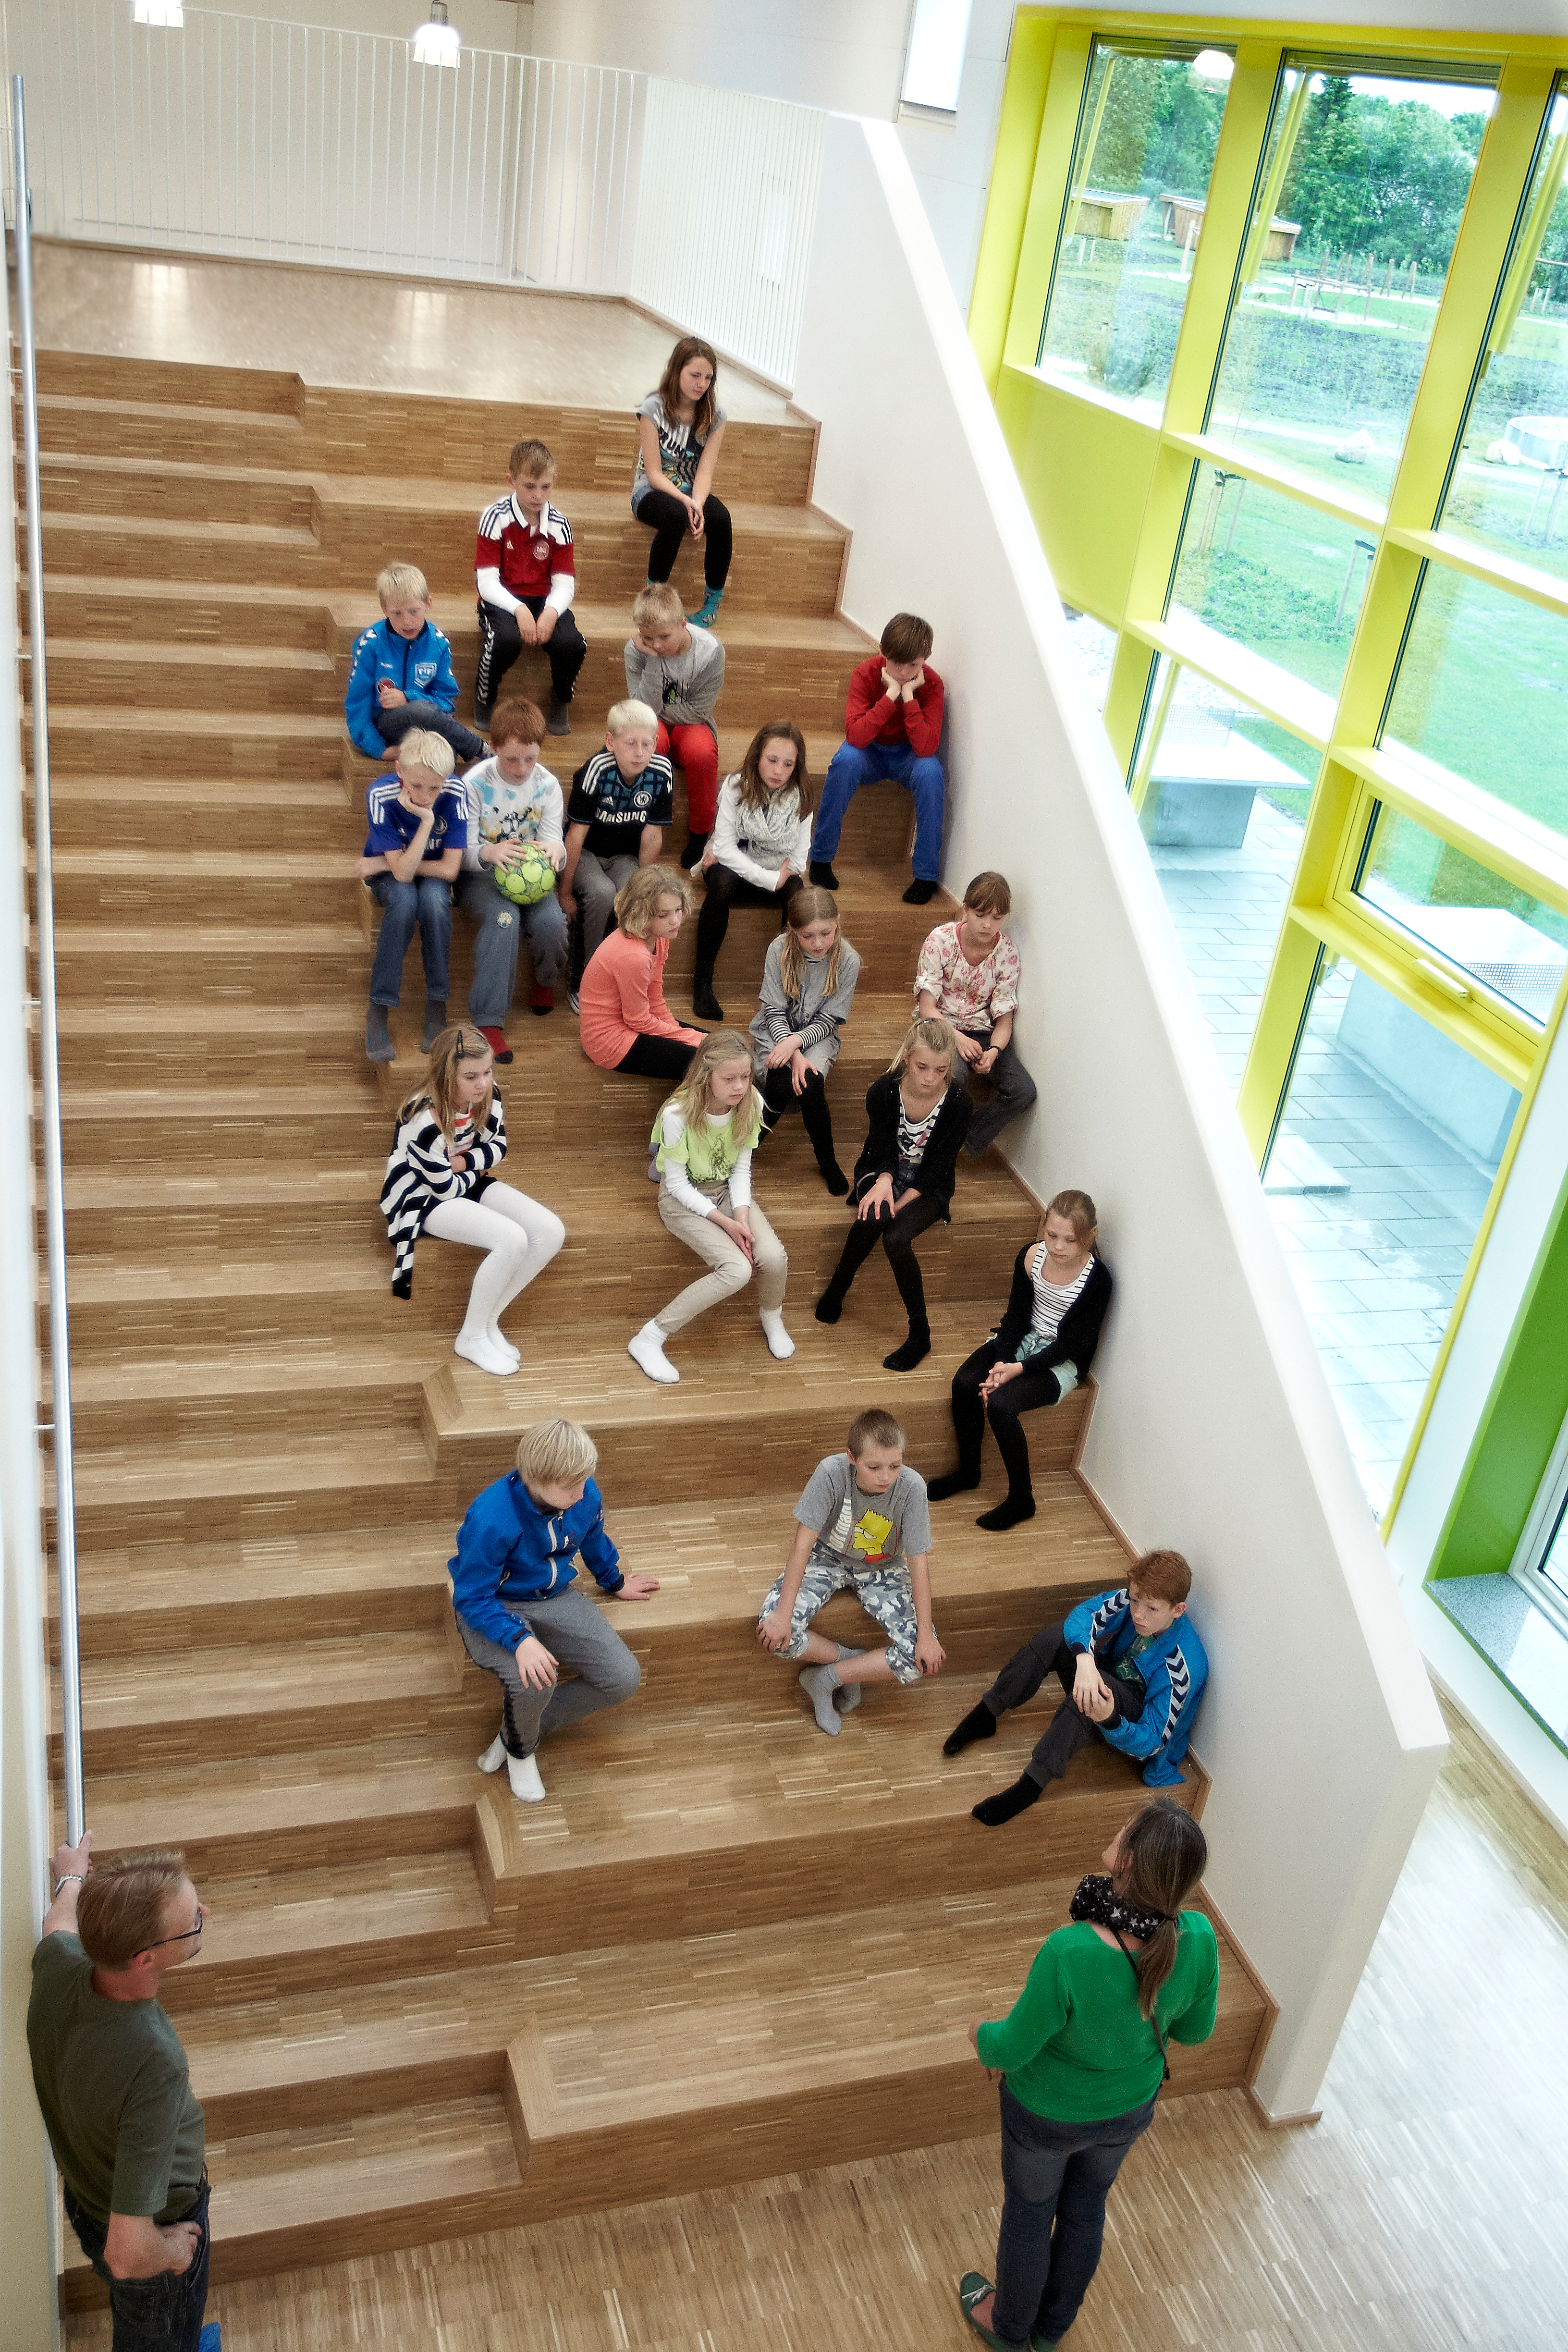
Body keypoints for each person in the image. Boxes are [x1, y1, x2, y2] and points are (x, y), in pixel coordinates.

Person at [958, 1802, 1216, 2352]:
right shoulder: (1199, 1938)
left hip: (1044, 2116)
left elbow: (1013, 2046)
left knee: (1030, 2217)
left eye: (1126, 1828)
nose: (1117, 1827)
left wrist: (979, 2033)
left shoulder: (1070, 1951)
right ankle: (1052, 2331)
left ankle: (1009, 2330)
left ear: (1127, 1861)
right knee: (1087, 2208)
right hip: (1128, 2110)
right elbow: (1194, 2033)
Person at [27, 1833, 221, 2352]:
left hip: (89, 2201)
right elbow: (127, 2255)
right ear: (144, 1960)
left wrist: (71, 1878)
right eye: (193, 1922)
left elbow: (59, 1922)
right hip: (154, 2232)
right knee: (158, 2339)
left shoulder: (58, 1967)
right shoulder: (155, 2063)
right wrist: (172, 2253)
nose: (205, 1912)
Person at [451, 1418, 659, 1803]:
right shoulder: (491, 1518)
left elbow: (593, 1536)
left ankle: (516, 1731)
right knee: (535, 1678)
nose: (583, 1493)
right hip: (493, 1605)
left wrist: (614, 1581)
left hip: (554, 1596)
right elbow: (471, 1596)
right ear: (536, 1479)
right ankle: (521, 1751)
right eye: (571, 1487)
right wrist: (519, 1640)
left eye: (585, 1481)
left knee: (623, 1677)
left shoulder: (583, 1490)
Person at [946, 1552, 1209, 1828]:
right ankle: (988, 1711)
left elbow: (1151, 1744)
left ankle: (1031, 1785)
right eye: (1135, 1600)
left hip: (1131, 1731)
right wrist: (1084, 1658)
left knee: (1096, 1690)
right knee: (1058, 1636)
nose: (1138, 1614)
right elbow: (1083, 1615)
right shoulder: (1137, 1600)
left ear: (1177, 1610)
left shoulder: (1183, 1671)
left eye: (1151, 1609)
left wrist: (1109, 1718)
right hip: (1108, 1690)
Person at [380, 1024, 565, 1377]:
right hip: (420, 1197)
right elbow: (443, 1187)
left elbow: (499, 1147)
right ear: (446, 1074)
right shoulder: (421, 1118)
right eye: (471, 1076)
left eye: (487, 1071)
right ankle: (471, 1336)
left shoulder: (488, 1095)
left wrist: (466, 1163)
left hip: (460, 1179)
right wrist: (476, 1170)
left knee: (551, 1231)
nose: (483, 1083)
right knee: (512, 1240)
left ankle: (489, 1320)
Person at [927, 1190, 1112, 1531]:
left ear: (1090, 1237)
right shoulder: (1030, 1257)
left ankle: (1022, 1498)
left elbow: (1075, 1344)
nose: (1057, 1246)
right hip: (1022, 1341)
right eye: (1051, 1235)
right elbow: (1014, 1316)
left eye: (1069, 1240)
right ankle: (969, 1472)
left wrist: (1020, 1369)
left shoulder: (1098, 1281)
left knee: (1000, 1405)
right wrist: (1003, 1361)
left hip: (1061, 1358)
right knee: (964, 1383)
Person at [756, 1407, 943, 1736]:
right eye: (874, 1467)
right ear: (852, 1457)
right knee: (776, 1635)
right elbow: (802, 1544)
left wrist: (926, 1636)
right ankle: (850, 1658)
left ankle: (826, 1679)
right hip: (826, 1557)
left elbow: (918, 1562)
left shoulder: (912, 1487)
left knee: (919, 1660)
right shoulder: (831, 1472)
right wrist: (783, 1615)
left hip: (882, 1569)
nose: (886, 1477)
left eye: (895, 1466)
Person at [628, 1029, 792, 1384]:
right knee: (736, 1270)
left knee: (774, 1258)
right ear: (706, 1075)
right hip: (682, 1199)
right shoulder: (677, 1113)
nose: (739, 1086)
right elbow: (676, 1185)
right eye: (729, 1078)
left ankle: (771, 1317)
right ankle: (651, 1336)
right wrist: (726, 1224)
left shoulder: (752, 1103)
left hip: (727, 1191)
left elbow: (742, 1169)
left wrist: (742, 1217)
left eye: (746, 1077)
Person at [815, 1016, 971, 1372]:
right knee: (875, 1214)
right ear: (906, 1059)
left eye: (941, 1070)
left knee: (896, 1237)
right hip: (880, 1167)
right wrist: (884, 1180)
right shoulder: (883, 1091)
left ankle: (921, 1334)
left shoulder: (959, 1102)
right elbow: (881, 1146)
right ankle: (839, 1285)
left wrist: (900, 1201)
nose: (931, 1078)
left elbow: (940, 1167)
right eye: (922, 1067)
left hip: (929, 1184)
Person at [457, 697, 569, 1048]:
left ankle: (545, 980)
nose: (522, 769)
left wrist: (556, 852)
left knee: (552, 923)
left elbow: (556, 844)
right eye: (512, 759)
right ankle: (490, 1021)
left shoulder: (548, 786)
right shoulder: (474, 783)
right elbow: (458, 852)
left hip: (531, 878)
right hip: (480, 876)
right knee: (505, 919)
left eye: (531, 759)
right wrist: (489, 853)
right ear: (493, 748)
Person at [809, 614, 944, 906]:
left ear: (926, 659)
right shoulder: (865, 673)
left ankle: (926, 877)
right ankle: (820, 859)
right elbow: (856, 736)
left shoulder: (932, 685)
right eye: (897, 663)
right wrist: (890, 695)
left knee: (931, 772)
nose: (905, 672)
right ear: (883, 651)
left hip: (907, 756)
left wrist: (908, 697)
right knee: (845, 761)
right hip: (869, 751)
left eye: (914, 665)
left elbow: (925, 748)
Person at [358, 729, 468, 1063]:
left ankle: (437, 1003)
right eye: (416, 786)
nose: (425, 796)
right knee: (405, 902)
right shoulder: (381, 795)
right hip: (392, 877)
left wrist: (384, 860)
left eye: (435, 788)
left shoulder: (455, 791)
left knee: (435, 903)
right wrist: (426, 824)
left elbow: (450, 871)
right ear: (400, 772)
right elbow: (402, 876)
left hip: (418, 871)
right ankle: (378, 1008)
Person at [695, 721, 814, 1022]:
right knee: (721, 881)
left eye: (788, 764)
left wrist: (780, 878)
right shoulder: (736, 786)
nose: (778, 771)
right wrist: (770, 878)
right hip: (737, 869)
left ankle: (785, 989)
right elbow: (723, 848)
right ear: (757, 756)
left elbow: (799, 859)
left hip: (776, 874)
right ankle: (703, 982)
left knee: (797, 895)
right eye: (772, 761)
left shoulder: (803, 796)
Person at [915, 872, 1038, 1156]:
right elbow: (927, 1008)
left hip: (983, 1032)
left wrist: (994, 1050)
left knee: (1023, 1091)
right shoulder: (941, 940)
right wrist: (956, 1038)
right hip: (939, 1025)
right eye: (981, 915)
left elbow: (1005, 1020)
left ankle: (964, 1137)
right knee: (955, 1075)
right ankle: (933, 1141)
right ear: (966, 909)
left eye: (997, 918)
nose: (987, 924)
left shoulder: (1007, 953)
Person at [561, 698, 674, 1000]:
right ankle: (582, 979)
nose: (640, 753)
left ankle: (622, 978)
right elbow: (575, 835)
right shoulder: (595, 770)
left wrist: (645, 888)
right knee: (601, 894)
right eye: (630, 743)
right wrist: (565, 891)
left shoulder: (661, 773)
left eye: (647, 744)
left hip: (624, 856)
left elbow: (652, 836)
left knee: (633, 896)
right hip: (587, 853)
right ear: (610, 741)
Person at [473, 437, 587, 735]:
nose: (539, 496)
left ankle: (560, 698)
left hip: (544, 600)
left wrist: (549, 614)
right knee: (506, 639)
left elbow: (565, 584)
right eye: (530, 486)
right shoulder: (495, 518)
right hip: (503, 599)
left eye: (546, 487)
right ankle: (485, 698)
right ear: (511, 481)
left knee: (572, 643)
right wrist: (519, 609)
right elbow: (487, 582)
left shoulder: (560, 525)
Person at [750, 885, 859, 1196]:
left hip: (817, 1034)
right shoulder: (778, 950)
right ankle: (749, 1146)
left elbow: (828, 1021)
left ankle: (827, 1160)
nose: (818, 943)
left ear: (837, 921)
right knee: (780, 1082)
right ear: (792, 930)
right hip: (776, 1030)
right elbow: (773, 1011)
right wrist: (793, 1051)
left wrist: (795, 1046)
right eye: (807, 936)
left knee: (809, 1084)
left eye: (825, 933)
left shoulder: (849, 960)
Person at [623, 580, 726, 871]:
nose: (656, 645)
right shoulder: (636, 651)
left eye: (664, 637)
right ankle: (639, 822)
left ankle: (699, 832)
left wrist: (660, 712)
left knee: (702, 753)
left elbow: (699, 710)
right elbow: (642, 711)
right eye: (648, 638)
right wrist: (654, 662)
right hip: (653, 719)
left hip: (692, 721)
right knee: (650, 742)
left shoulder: (711, 651)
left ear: (684, 624)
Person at [344, 561, 487, 767]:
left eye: (414, 611)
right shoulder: (371, 643)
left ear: (428, 604)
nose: (407, 622)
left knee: (449, 755)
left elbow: (446, 703)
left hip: (426, 726)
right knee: (421, 711)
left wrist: (408, 697)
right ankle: (478, 747)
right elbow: (357, 703)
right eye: (397, 613)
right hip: (384, 725)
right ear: (384, 609)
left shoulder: (438, 643)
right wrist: (379, 750)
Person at [631, 334, 730, 629]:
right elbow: (654, 474)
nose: (702, 384)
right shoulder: (652, 409)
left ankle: (711, 605)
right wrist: (687, 503)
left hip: (691, 490)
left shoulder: (715, 416)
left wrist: (698, 503)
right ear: (677, 372)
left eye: (708, 378)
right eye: (695, 375)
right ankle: (653, 601)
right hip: (651, 491)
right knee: (675, 516)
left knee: (721, 518)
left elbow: (705, 472)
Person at [577, 864, 704, 1081]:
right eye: (663, 915)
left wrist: (679, 1032)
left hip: (632, 1024)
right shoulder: (634, 956)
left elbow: (654, 997)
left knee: (715, 1048)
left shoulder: (660, 936)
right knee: (710, 1063)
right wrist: (688, 1037)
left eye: (678, 910)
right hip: (610, 1042)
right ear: (642, 915)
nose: (676, 921)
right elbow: (638, 1020)